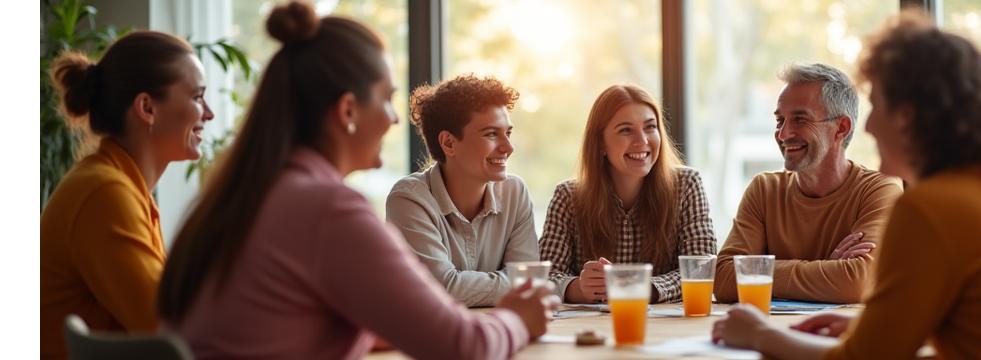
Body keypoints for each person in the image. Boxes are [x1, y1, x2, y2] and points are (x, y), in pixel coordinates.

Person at [156, 3, 556, 359]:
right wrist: (517, 319)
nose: (394, 118)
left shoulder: (246, 191)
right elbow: (462, 347)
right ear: (348, 110)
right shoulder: (327, 208)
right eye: (386, 99)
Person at [711, 11, 981, 359]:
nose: (866, 126)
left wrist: (758, 335)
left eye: (878, 105)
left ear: (910, 117)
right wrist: (872, 323)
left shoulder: (930, 207)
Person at [41, 30, 214, 358]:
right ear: (147, 108)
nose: (208, 113)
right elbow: (172, 329)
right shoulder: (105, 193)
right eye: (197, 96)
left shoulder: (121, 186)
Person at [712, 63, 902, 304]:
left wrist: (758, 274)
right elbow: (724, 279)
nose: (783, 134)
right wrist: (827, 270)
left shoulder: (880, 191)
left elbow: (857, 282)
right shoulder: (764, 190)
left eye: (800, 119)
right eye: (780, 120)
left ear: (841, 128)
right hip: (763, 334)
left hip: (833, 338)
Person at [539, 84, 716, 304]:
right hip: (589, 331)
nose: (642, 140)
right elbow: (543, 279)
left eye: (650, 127)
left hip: (666, 330)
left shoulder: (687, 185)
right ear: (600, 143)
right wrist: (581, 288)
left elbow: (701, 269)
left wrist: (633, 285)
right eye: (625, 130)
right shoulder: (567, 197)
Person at [385, 74, 538, 307]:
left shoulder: (515, 193)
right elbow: (440, 289)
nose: (508, 147)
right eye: (491, 134)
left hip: (502, 330)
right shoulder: (408, 199)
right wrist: (516, 285)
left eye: (507, 133)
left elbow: (529, 280)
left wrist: (523, 285)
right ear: (448, 143)